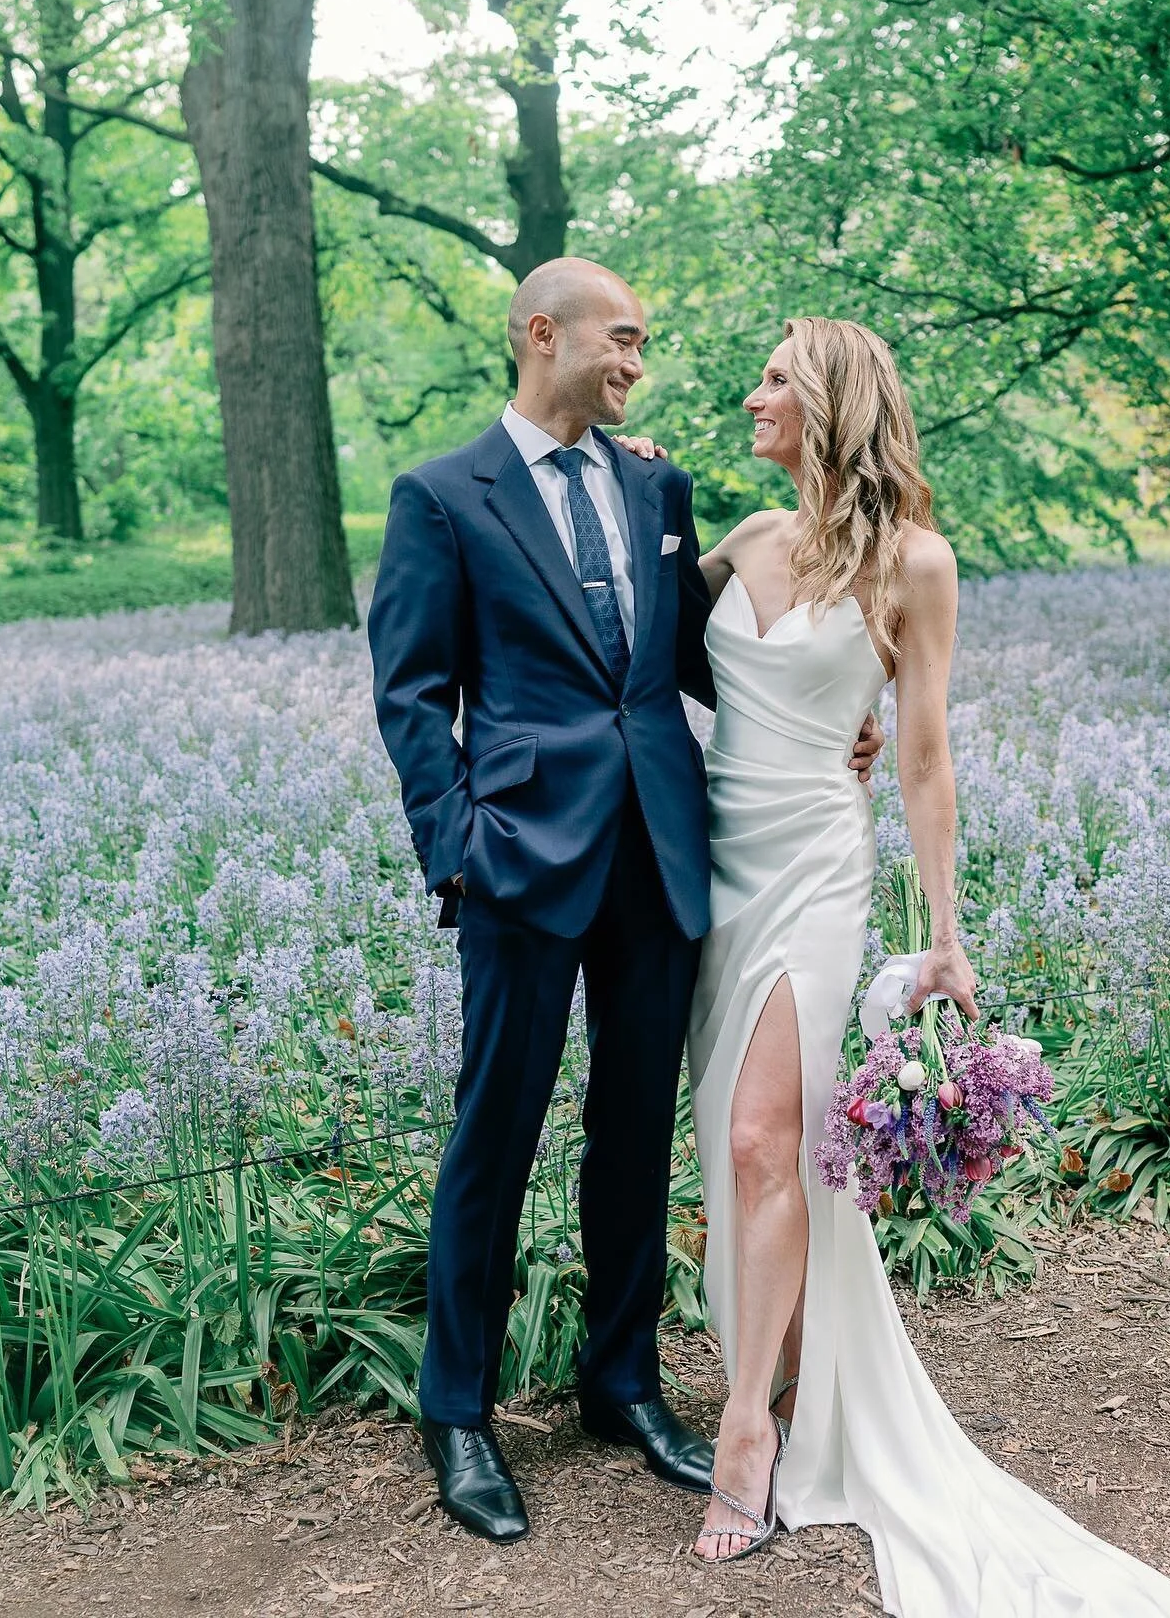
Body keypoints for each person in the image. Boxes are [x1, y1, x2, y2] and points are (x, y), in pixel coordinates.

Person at [620, 317, 1170, 1613]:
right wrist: (638, 490)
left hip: (818, 885)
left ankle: (745, 1430)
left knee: (759, 1140)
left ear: (833, 398)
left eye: (773, 376)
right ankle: (780, 1374)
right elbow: (655, 675)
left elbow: (923, 754)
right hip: (716, 881)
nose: (751, 394)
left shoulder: (917, 563)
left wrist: (943, 931)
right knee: (740, 1144)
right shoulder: (744, 542)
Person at [367, 261, 882, 1545]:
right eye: (623, 340)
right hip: (521, 862)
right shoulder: (441, 496)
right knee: (498, 1127)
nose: (637, 364)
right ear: (544, 334)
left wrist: (838, 730)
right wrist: (459, 849)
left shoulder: (657, 485)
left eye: (643, 345)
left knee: (636, 1131)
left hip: (663, 848)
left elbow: (685, 657)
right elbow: (412, 692)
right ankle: (460, 1411)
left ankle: (622, 1382)